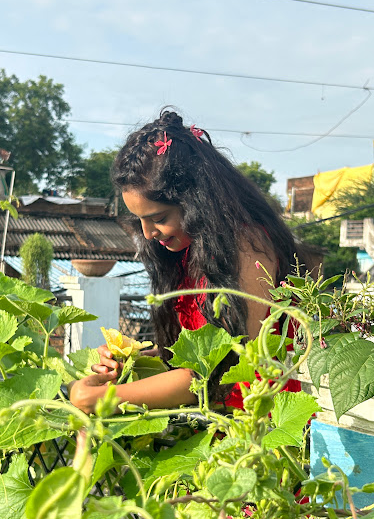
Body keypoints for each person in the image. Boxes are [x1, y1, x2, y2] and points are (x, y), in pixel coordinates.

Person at [68, 109, 301, 414]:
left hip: (258, 424)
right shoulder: (186, 251)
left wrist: (98, 398)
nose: (147, 233)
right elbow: (193, 359)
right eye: (139, 220)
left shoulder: (248, 246)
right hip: (216, 419)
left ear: (196, 202)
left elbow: (218, 373)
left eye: (158, 218)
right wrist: (135, 358)